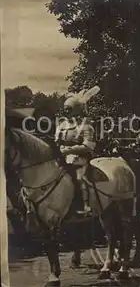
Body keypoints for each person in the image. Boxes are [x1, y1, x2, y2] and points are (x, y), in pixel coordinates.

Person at [55, 86, 100, 217]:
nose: (66, 112)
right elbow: (57, 142)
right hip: (62, 158)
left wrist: (69, 150)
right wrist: (60, 150)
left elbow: (88, 146)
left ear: (76, 110)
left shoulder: (86, 126)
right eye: (65, 110)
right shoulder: (62, 126)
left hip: (80, 159)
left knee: (80, 178)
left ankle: (85, 206)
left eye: (69, 110)